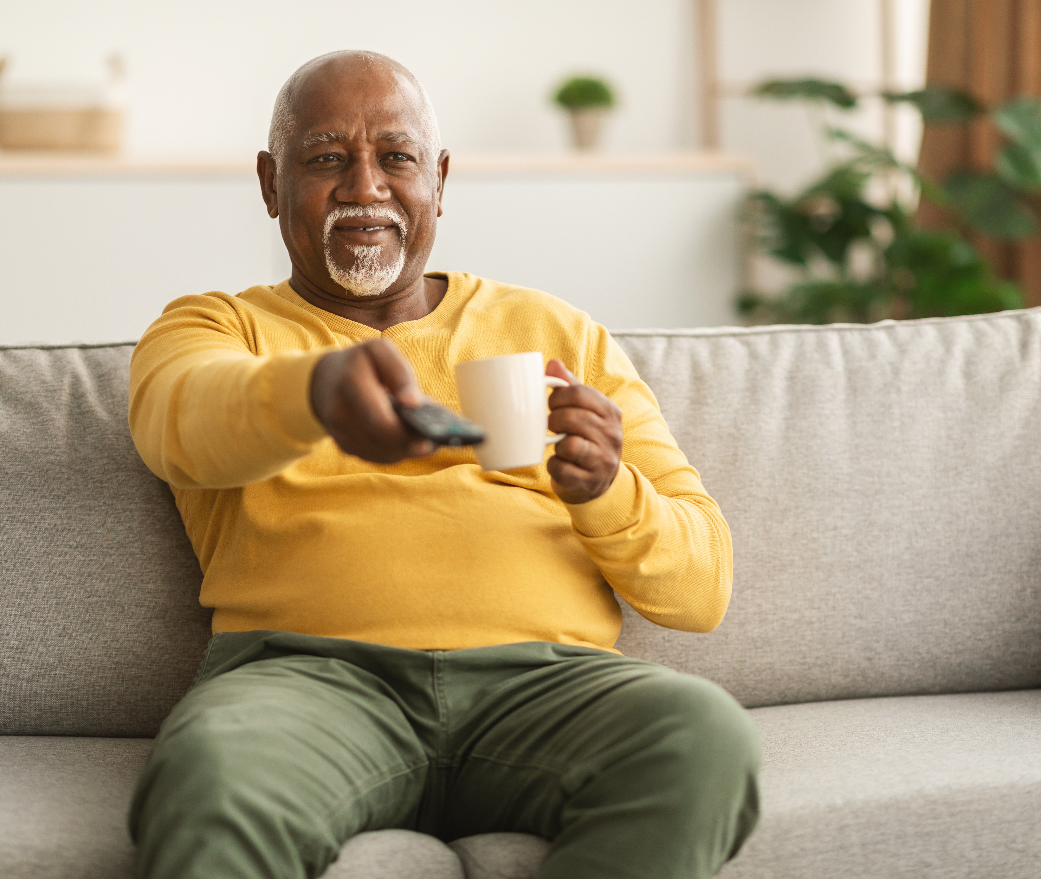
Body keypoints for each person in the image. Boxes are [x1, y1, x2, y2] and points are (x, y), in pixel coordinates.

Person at [126, 50, 759, 879]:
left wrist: (607, 489)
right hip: (310, 684)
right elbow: (184, 421)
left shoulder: (557, 331)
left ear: (440, 178)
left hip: (543, 688)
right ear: (270, 183)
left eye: (396, 157)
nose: (365, 186)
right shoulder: (215, 328)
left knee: (702, 734)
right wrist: (318, 394)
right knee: (210, 772)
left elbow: (703, 586)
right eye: (325, 158)